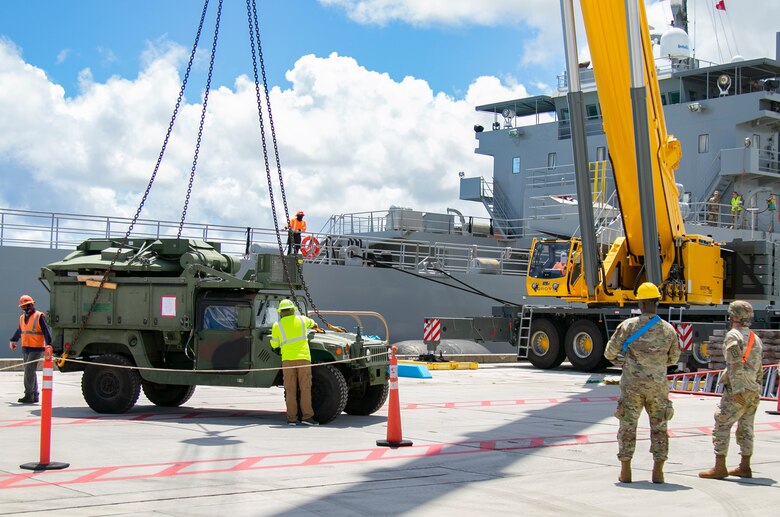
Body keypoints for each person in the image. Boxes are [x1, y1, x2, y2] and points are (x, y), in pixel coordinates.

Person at [604, 282, 680, 484]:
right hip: (657, 387)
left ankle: (626, 470)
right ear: (657, 302)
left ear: (640, 302)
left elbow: (609, 353)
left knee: (628, 426)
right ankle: (658, 471)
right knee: (659, 428)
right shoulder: (668, 330)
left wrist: (624, 362)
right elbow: (673, 359)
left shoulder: (628, 326)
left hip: (632, 386)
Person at [699, 300, 764, 480]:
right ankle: (745, 466)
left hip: (738, 389)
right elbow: (759, 368)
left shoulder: (733, 336)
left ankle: (719, 467)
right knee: (747, 427)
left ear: (734, 316)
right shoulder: (754, 338)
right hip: (753, 388)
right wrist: (755, 387)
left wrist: (736, 391)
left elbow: (734, 364)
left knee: (722, 423)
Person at [270, 299, 320, 426]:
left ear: (281, 312)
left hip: (287, 360)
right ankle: (307, 417)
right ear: (293, 310)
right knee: (305, 389)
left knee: (290, 390)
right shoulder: (302, 320)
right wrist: (314, 326)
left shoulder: (277, 325)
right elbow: (313, 323)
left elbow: (274, 343)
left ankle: (291, 419)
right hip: (303, 359)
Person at [9, 294, 52, 404]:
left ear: (32, 305)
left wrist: (49, 345)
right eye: (24, 306)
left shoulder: (39, 316)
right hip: (25, 347)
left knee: (28, 371)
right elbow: (20, 331)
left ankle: (29, 394)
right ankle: (35, 395)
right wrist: (13, 340)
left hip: (36, 347)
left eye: (28, 305)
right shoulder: (22, 317)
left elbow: (46, 331)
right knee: (30, 371)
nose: (26, 308)